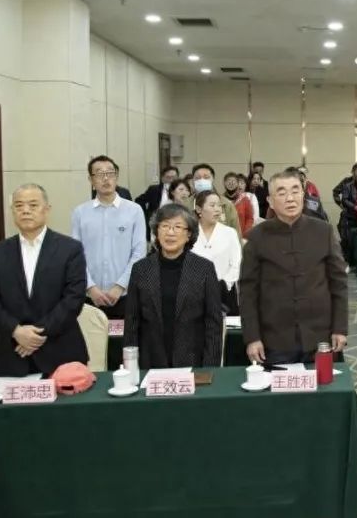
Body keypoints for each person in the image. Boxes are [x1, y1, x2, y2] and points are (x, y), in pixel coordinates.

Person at [240, 169, 348, 364]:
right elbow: (248, 292)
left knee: (325, 384)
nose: (290, 198)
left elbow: (339, 283)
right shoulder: (257, 237)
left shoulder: (323, 231)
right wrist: (252, 338)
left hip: (320, 336)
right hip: (274, 339)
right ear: (270, 201)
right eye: (281, 193)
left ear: (303, 195)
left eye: (295, 191)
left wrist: (340, 328)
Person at [0, 184, 88, 377]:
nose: (25, 210)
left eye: (33, 205)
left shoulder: (70, 249)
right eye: (19, 205)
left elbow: (74, 298)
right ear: (12, 211)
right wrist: (16, 331)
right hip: (12, 353)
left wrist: (35, 335)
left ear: (47, 209)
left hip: (60, 352)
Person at [124, 203, 223, 369]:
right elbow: (132, 322)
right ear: (156, 232)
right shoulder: (141, 269)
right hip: (150, 362)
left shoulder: (204, 269)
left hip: (193, 361)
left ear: (188, 234)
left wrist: (210, 369)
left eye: (177, 227)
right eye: (165, 226)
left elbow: (213, 323)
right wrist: (131, 366)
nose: (170, 232)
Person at [71, 155, 146, 321]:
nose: (106, 178)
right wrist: (90, 287)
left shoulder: (134, 210)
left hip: (125, 295)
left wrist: (120, 286)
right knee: (92, 337)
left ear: (116, 177)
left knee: (123, 337)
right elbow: (75, 255)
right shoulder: (80, 212)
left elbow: (139, 253)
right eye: (99, 173)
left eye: (110, 173)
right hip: (90, 296)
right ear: (91, 180)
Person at [192, 190, 243, 312]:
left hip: (224, 292)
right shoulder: (189, 233)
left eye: (219, 205)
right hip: (194, 292)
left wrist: (223, 283)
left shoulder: (229, 233)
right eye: (212, 205)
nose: (217, 209)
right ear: (199, 209)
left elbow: (236, 264)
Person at [187, 164, 241, 237]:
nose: (202, 180)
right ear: (193, 181)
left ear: (213, 179)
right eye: (198, 178)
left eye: (206, 177)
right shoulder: (184, 206)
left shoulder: (226, 204)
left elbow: (236, 234)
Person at [333, 163, 357, 263]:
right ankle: (349, 261)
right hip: (351, 215)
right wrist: (347, 205)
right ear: (353, 175)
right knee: (347, 240)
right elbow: (342, 197)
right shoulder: (347, 183)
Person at [136, 166, 179, 235]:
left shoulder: (183, 190)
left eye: (174, 178)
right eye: (168, 177)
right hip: (157, 224)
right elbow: (139, 200)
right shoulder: (154, 190)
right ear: (162, 179)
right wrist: (146, 215)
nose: (171, 180)